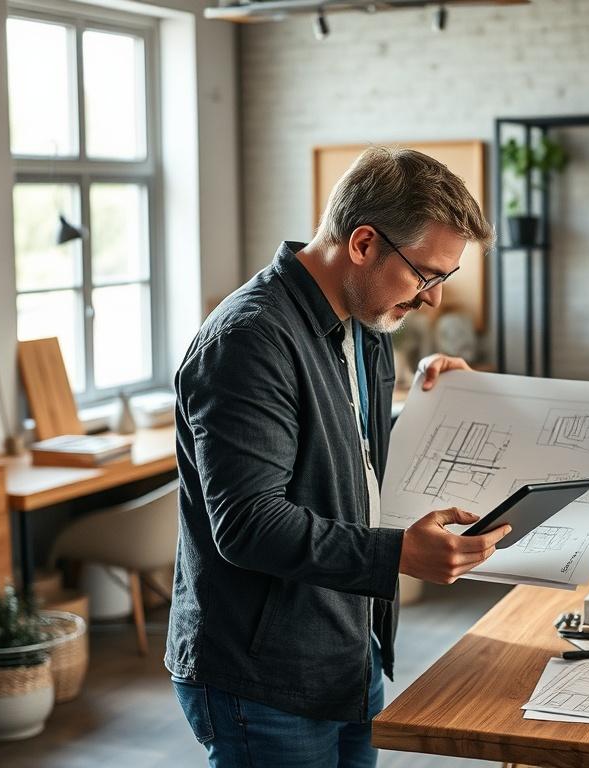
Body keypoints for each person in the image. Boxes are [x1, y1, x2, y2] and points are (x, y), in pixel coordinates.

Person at [167, 146, 508, 767]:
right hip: (264, 676)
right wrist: (398, 553)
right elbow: (248, 525)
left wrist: (432, 407)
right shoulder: (249, 340)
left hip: (351, 649)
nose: (432, 299)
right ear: (362, 243)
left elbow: (338, 454)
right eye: (425, 274)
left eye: (443, 279)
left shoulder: (365, 321)